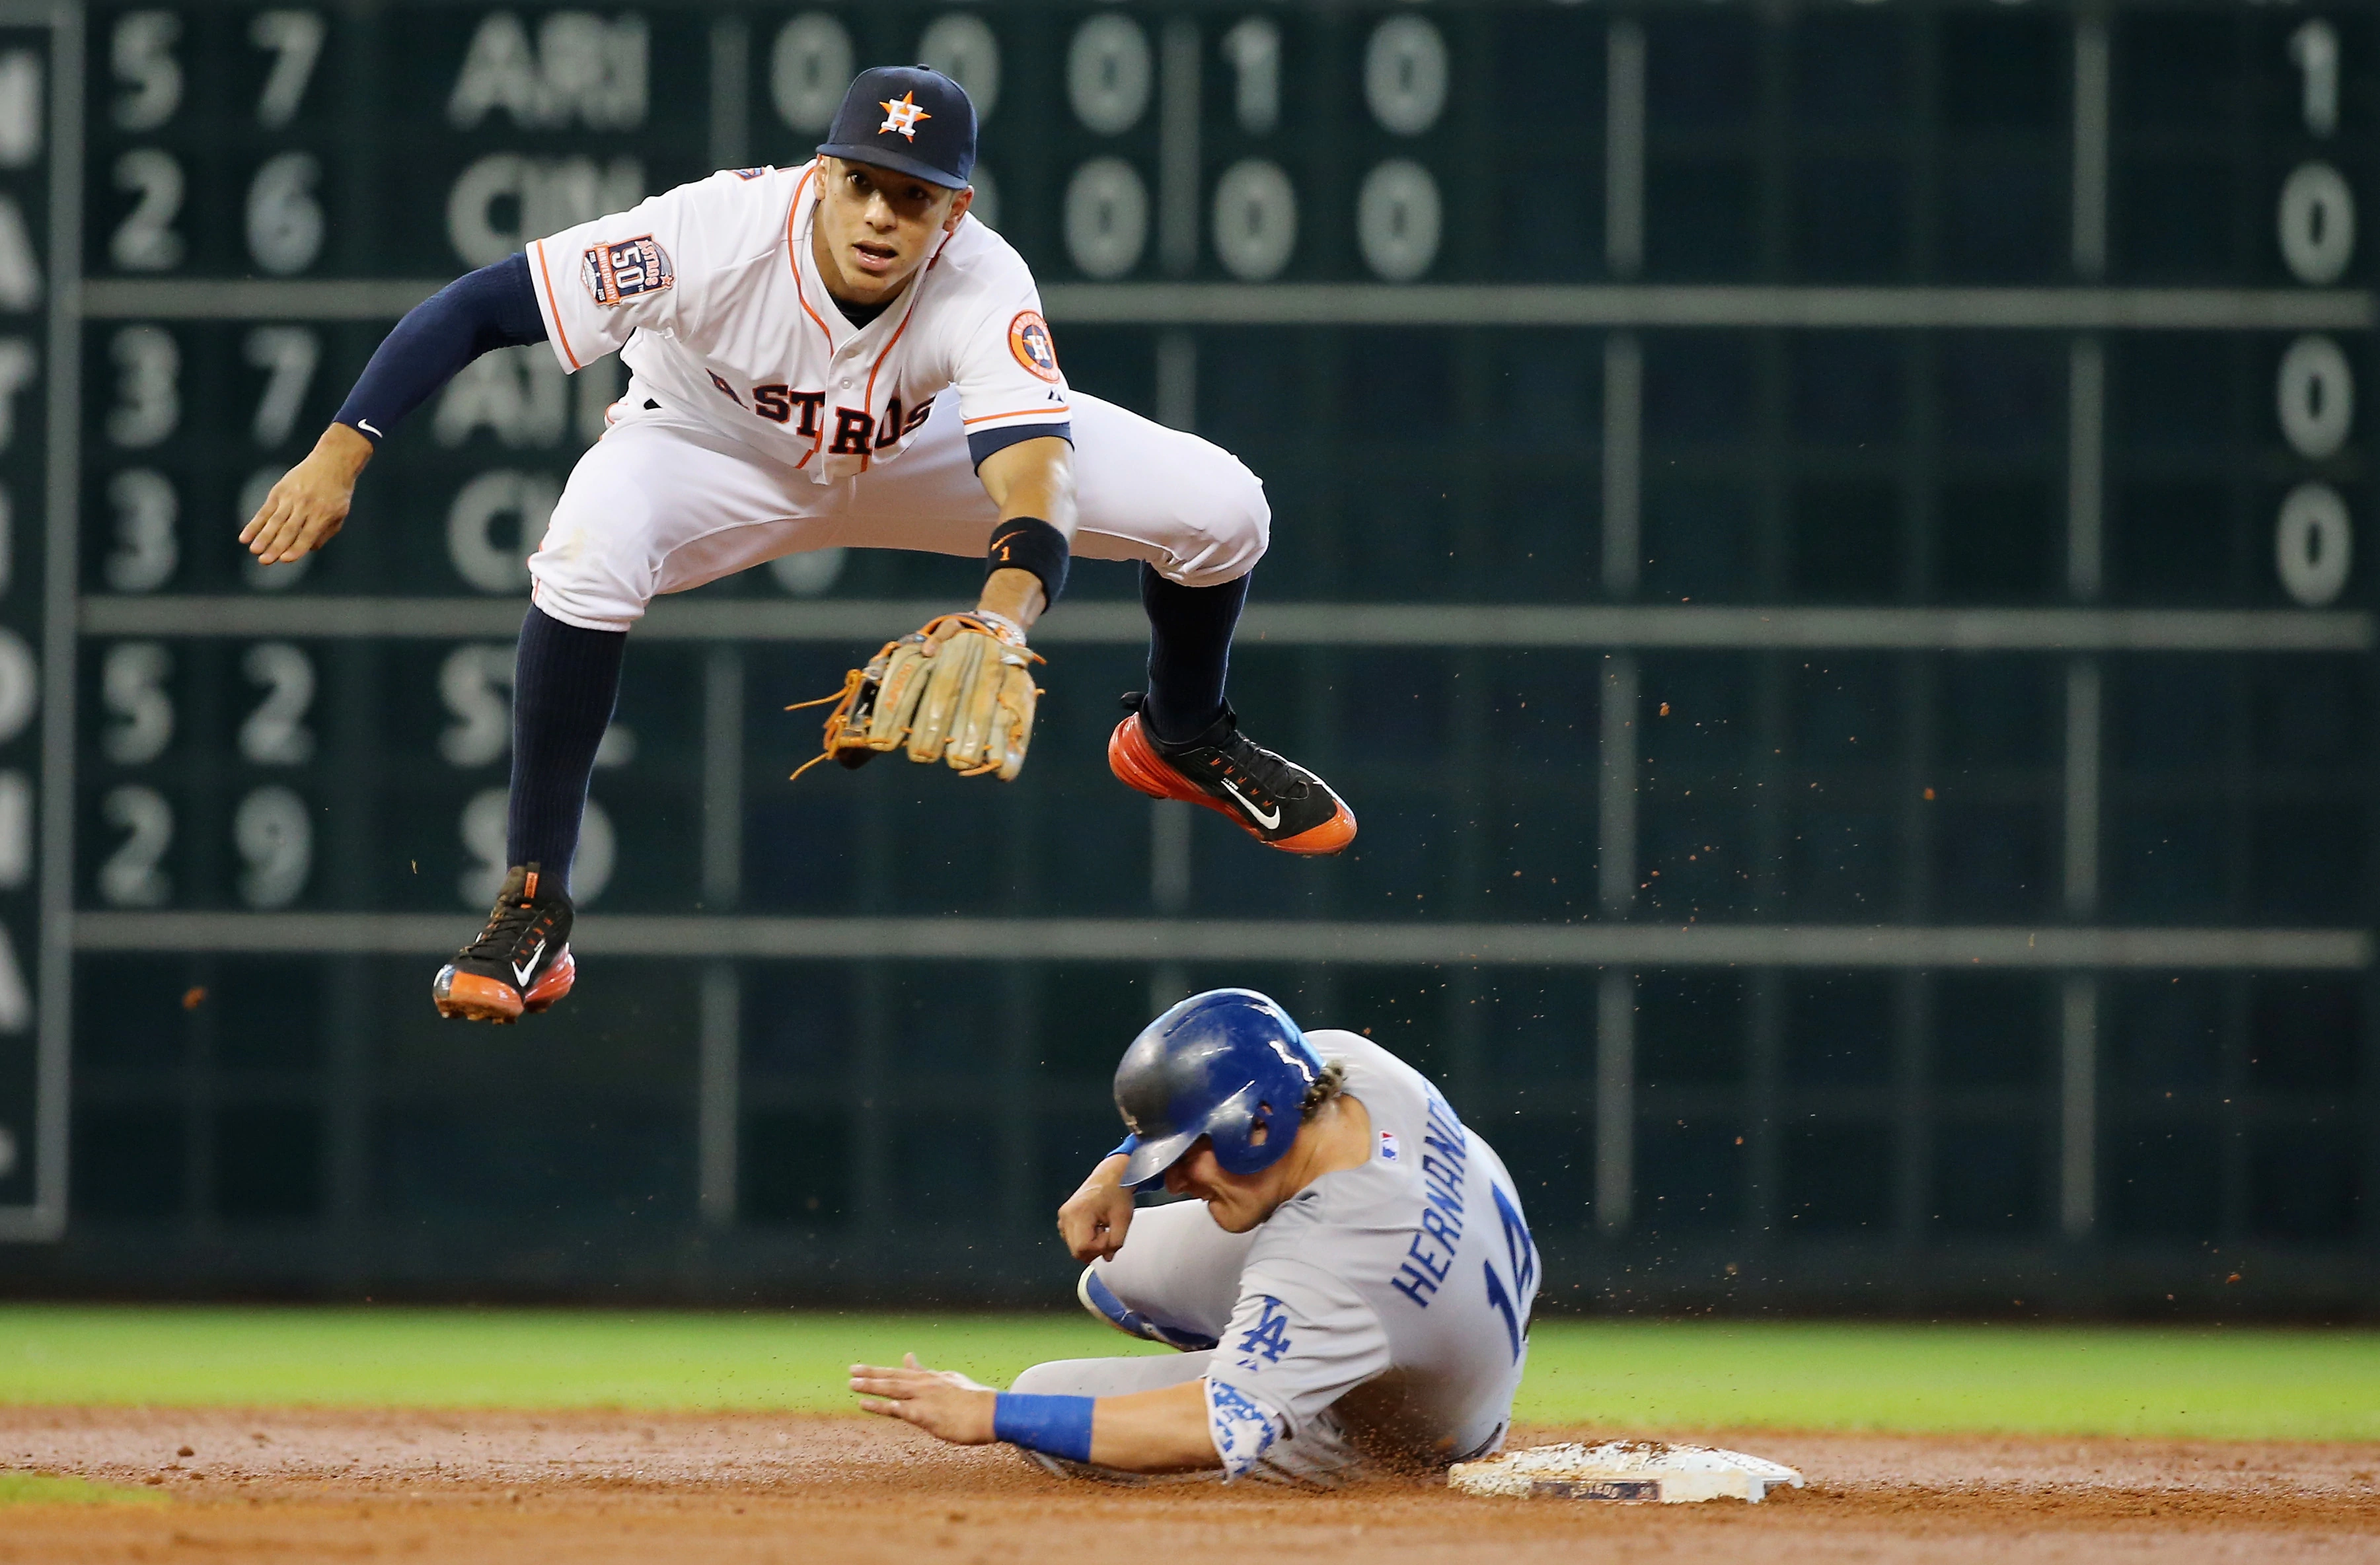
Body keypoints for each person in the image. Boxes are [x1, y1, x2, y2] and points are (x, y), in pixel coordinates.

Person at [239, 65, 1357, 1024]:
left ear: (952, 215)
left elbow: (1033, 473)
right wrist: (341, 452)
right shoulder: (704, 234)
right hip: (709, 448)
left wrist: (1000, 618)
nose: (880, 214)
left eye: (912, 197)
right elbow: (479, 307)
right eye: (862, 181)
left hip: (922, 452)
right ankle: (534, 906)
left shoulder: (983, 284)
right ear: (821, 174)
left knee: (1226, 510)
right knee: (585, 555)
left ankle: (1179, 731)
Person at [849, 988, 1538, 1486]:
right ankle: (1277, 1355)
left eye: (1186, 1153)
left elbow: (1207, 1429)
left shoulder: (1334, 1259)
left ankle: (1287, 1376)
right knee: (1117, 1271)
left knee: (1040, 1396)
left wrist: (987, 1409)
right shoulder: (1342, 1069)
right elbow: (1213, 1084)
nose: (1173, 1178)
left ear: (1257, 1124)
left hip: (1420, 1428)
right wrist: (1116, 1167)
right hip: (1463, 1287)